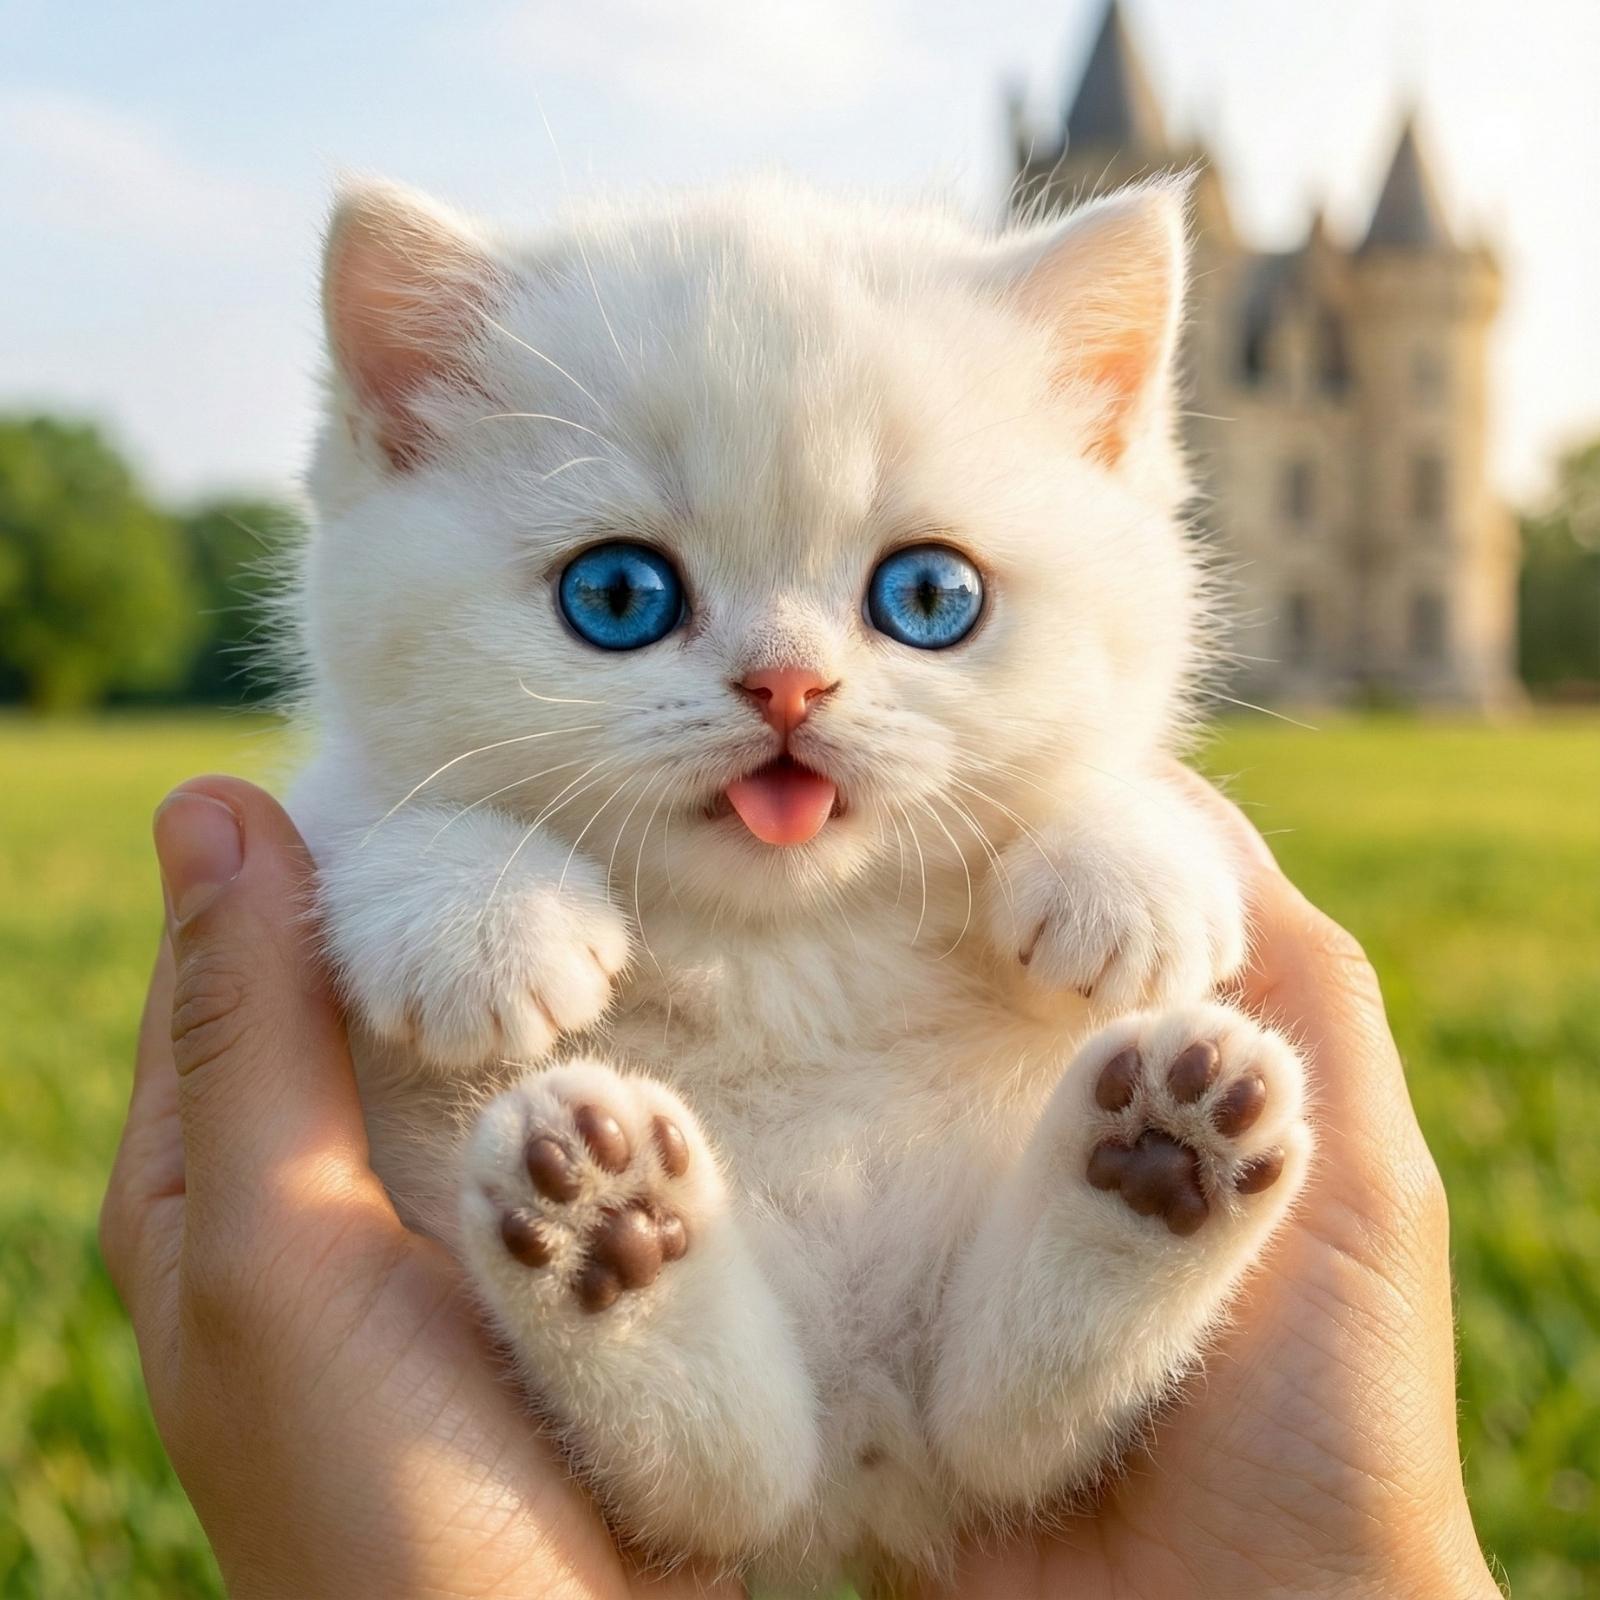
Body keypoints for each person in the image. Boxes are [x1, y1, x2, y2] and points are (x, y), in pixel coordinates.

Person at [102, 773, 1503, 1599]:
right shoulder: (426, 800)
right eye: (622, 598)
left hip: (961, 1246)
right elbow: (391, 847)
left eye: (923, 599)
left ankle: (1059, 1303)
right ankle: (697, 1374)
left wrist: (1114, 837)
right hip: (784, 1320)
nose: (789, 686)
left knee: (985, 1380)